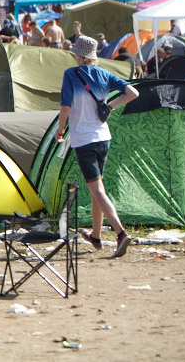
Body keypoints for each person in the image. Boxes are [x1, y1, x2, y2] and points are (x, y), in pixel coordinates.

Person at [55, 36, 139, 258]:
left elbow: (65, 108)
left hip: (84, 140)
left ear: (80, 56)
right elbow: (133, 93)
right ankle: (96, 236)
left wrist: (60, 131)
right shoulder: (104, 74)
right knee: (96, 189)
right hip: (103, 137)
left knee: (97, 190)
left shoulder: (71, 74)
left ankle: (121, 233)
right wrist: (110, 105)